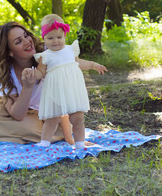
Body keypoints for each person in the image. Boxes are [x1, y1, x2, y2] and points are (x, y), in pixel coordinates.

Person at [23, 14, 107, 148]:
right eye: (50, 38)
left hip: (72, 90)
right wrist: (33, 74)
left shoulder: (70, 50)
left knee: (78, 118)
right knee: (52, 119)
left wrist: (93, 65)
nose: (55, 41)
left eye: (59, 37)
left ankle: (79, 143)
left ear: (64, 36)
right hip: (55, 92)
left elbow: (79, 63)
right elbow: (41, 72)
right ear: (43, 39)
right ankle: (44, 142)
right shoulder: (45, 56)